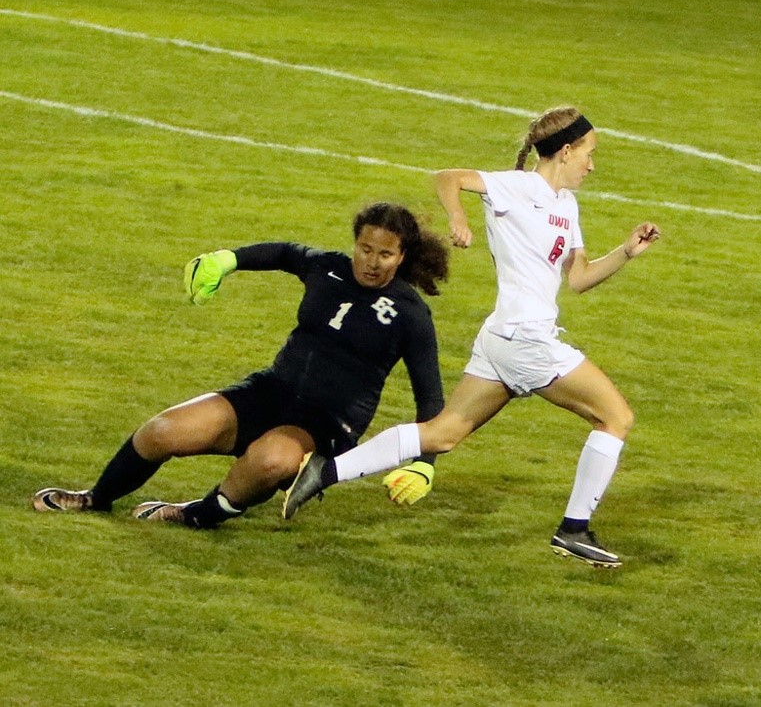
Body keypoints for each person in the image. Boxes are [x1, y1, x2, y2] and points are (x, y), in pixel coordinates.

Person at [282, 107, 661, 568]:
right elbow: (448, 177)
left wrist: (625, 252)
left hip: (505, 338)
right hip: (525, 340)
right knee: (615, 417)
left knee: (442, 434)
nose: (592, 165)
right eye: (589, 154)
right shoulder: (519, 188)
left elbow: (578, 278)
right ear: (565, 151)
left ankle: (325, 470)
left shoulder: (567, 205)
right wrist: (459, 218)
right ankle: (573, 529)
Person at [32, 202, 450, 528]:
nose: (371, 262)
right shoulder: (327, 267)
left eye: (385, 254)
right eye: (365, 249)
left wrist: (423, 464)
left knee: (270, 460)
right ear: (354, 243)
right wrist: (226, 259)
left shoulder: (410, 314)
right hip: (269, 392)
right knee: (163, 431)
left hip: (325, 425)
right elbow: (285, 253)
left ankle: (199, 514)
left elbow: (429, 396)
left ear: (402, 256)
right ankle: (95, 498)